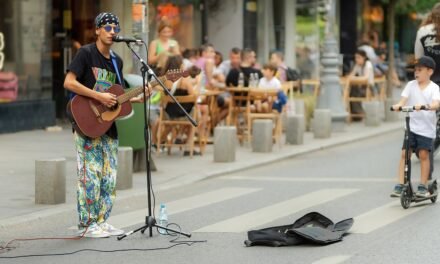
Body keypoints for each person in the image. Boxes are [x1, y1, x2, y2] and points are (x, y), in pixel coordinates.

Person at [64, 12, 147, 238]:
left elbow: (116, 97)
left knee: (109, 177)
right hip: (86, 122)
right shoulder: (85, 54)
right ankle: (88, 224)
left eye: (115, 28)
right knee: (89, 175)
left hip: (107, 126)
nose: (112, 32)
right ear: (97, 30)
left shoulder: (116, 62)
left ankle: (102, 220)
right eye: (108, 27)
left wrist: (136, 98)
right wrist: (99, 97)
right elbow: (69, 82)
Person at [390, 56, 440, 198]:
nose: (416, 73)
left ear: (430, 71)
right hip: (410, 126)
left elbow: (436, 103)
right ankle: (400, 184)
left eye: (420, 70)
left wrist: (429, 106)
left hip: (426, 129)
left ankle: (423, 186)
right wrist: (399, 105)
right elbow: (403, 100)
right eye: (415, 70)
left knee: (424, 155)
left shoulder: (434, 88)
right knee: (404, 154)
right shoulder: (411, 85)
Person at [414, 3, 440, 176]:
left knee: (428, 121)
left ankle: (427, 179)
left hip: (430, 82)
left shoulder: (423, 31)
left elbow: (418, 58)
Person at [347, 49, 375, 120]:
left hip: (368, 88)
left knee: (353, 91)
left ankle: (358, 113)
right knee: (351, 91)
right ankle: (357, 113)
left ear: (364, 57)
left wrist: (354, 78)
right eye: (356, 57)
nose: (357, 59)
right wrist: (352, 77)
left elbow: (366, 78)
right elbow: (351, 75)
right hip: (360, 87)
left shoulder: (368, 64)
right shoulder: (357, 65)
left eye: (358, 57)